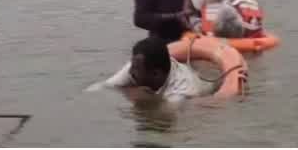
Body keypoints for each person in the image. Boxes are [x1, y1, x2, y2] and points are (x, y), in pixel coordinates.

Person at [89, 37, 217, 100]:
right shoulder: (135, 66)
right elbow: (105, 86)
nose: (130, 72)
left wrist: (143, 97)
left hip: (204, 83)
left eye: (136, 70)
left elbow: (161, 119)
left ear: (156, 74)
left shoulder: (181, 92)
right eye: (132, 66)